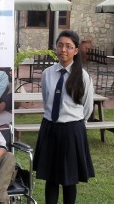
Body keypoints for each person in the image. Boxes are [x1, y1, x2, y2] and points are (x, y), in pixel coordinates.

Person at [33, 30, 95, 204]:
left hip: (72, 130)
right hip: (50, 128)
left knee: (69, 178)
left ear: (76, 50)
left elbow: (87, 107)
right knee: (50, 177)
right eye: (60, 45)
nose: (63, 50)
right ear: (55, 48)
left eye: (69, 46)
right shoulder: (47, 73)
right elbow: (47, 100)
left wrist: (74, 124)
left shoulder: (83, 77)